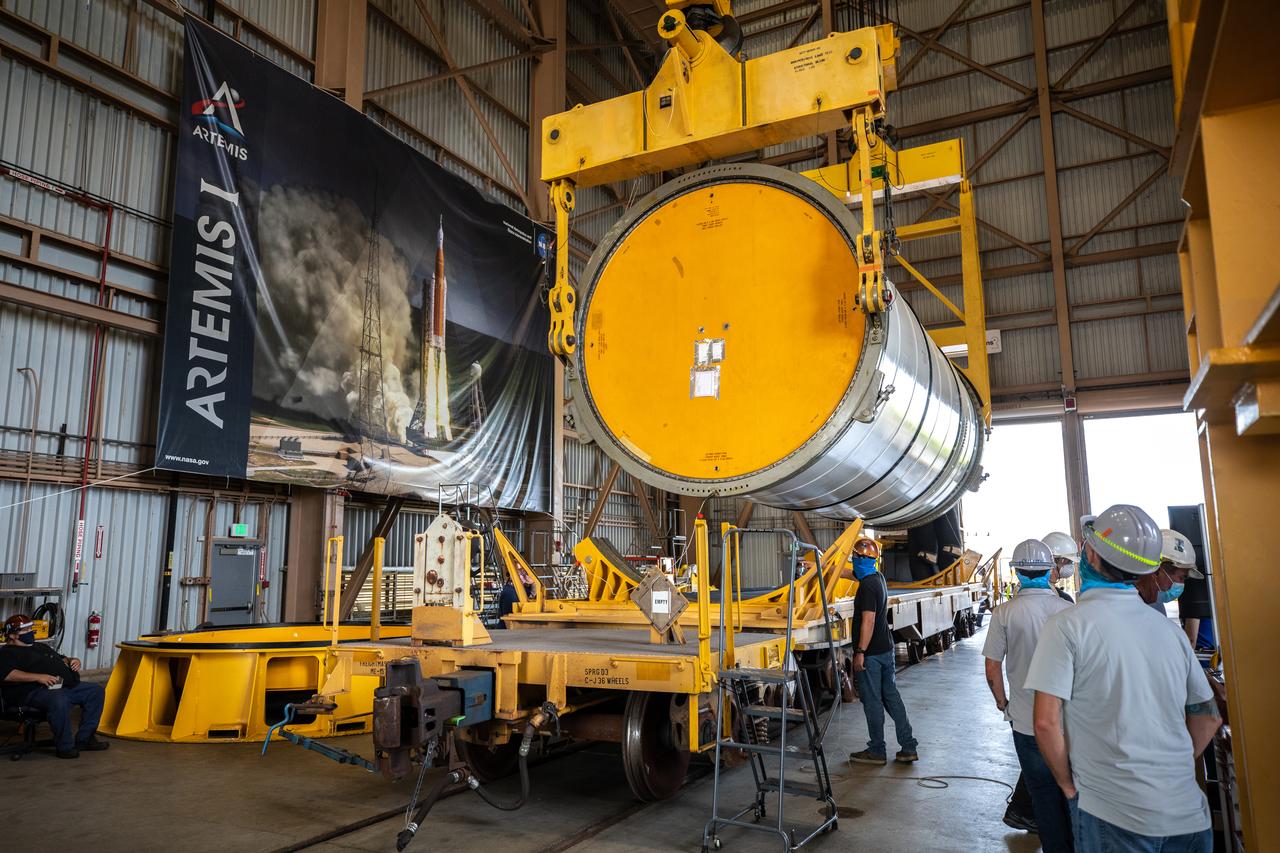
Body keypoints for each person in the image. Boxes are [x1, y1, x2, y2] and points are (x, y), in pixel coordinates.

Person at [1026, 505, 1221, 852]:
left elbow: (1044, 723)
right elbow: (1208, 716)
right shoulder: (1170, 631)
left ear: (1091, 556)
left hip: (1114, 815)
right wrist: (1169, 770)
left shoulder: (1067, 626)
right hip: (1187, 815)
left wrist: (1070, 788)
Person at [983, 539, 1074, 851]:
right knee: (1071, 791)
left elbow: (992, 667)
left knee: (1043, 794)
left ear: (1017, 572)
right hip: (1066, 722)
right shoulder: (1067, 610)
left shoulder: (1004, 613)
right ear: (1050, 570)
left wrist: (1002, 702)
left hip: (1024, 721)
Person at [842, 536, 918, 765]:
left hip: (871, 654)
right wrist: (820, 566)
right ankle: (908, 746)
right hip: (886, 649)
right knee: (892, 697)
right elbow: (850, 573)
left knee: (873, 700)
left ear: (858, 558)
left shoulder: (867, 587)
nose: (853, 562)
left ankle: (876, 750)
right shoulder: (877, 578)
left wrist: (860, 652)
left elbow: (868, 621)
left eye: (855, 558)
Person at [0, 614, 109, 758]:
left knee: (95, 691)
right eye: (25, 631)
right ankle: (65, 747)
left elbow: (61, 658)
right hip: (32, 692)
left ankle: (85, 739)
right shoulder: (7, 652)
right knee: (58, 699)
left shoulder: (40, 646)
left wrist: (72, 660)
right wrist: (39, 677)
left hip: (60, 685)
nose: (30, 633)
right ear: (13, 635)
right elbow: (7, 675)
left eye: (31, 629)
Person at [1137, 529, 1203, 618]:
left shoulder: (1157, 608)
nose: (1181, 585)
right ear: (1157, 571)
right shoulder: (1127, 609)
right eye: (1182, 578)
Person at [1041, 531, 1079, 603]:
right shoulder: (1063, 599)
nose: (1071, 566)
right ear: (1054, 561)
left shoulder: (1025, 590)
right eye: (1069, 562)